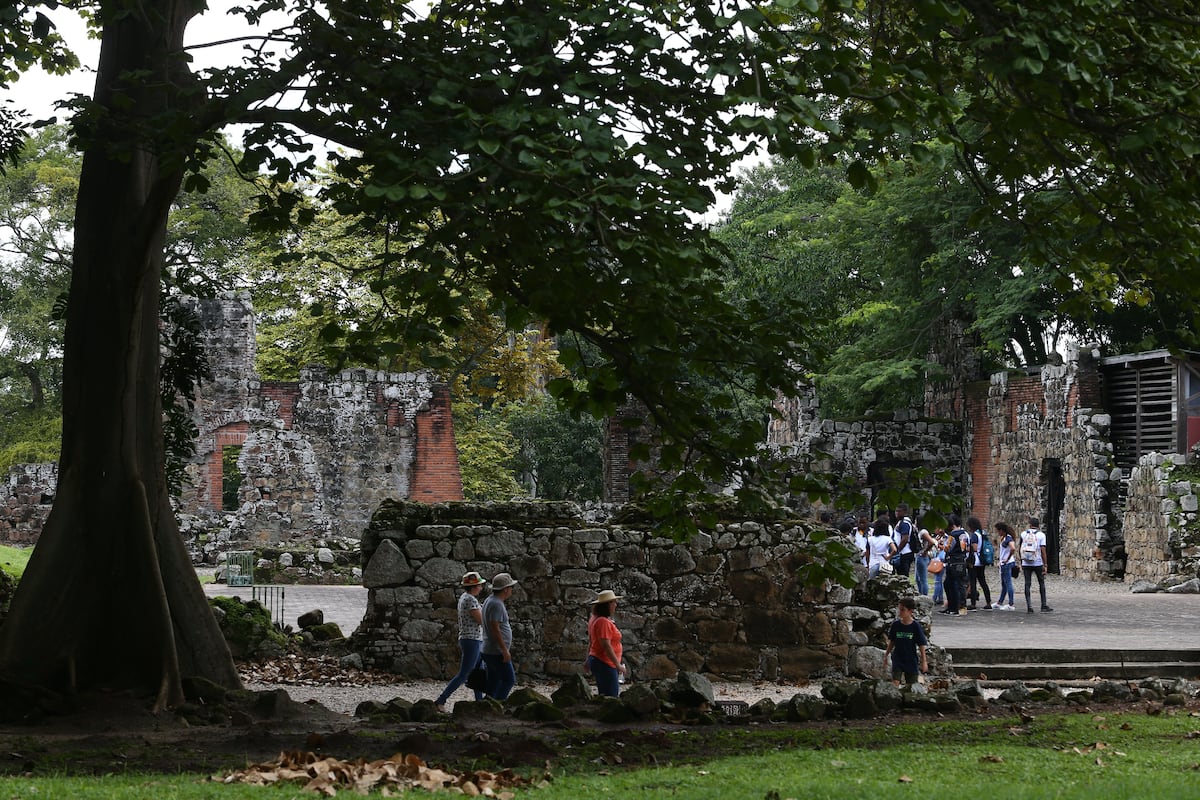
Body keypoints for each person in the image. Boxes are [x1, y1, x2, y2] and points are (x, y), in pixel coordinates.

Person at [434, 571, 487, 712]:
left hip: (472, 639)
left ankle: (480, 703)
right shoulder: (470, 600)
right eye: (480, 585)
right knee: (464, 674)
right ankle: (440, 701)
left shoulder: (465, 597)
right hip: (472, 640)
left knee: (478, 672)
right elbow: (481, 620)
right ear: (474, 586)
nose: (481, 587)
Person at [481, 572, 519, 700]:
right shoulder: (496, 604)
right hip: (495, 651)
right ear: (505, 589)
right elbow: (495, 628)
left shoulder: (489, 600)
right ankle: (498, 705)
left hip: (489, 649)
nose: (512, 590)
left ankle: (487, 706)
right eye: (511, 587)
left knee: (493, 681)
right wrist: (504, 649)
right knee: (509, 679)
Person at [586, 589, 627, 697]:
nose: (615, 605)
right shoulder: (603, 622)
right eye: (613, 602)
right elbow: (606, 645)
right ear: (607, 605)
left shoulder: (596, 619)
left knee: (604, 693)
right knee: (611, 695)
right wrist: (617, 665)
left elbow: (592, 641)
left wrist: (587, 659)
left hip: (600, 661)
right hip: (605, 663)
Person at [884, 596, 928, 687]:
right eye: (899, 610)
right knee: (895, 682)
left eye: (903, 610)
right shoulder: (896, 625)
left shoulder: (915, 626)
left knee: (911, 686)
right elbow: (892, 641)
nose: (900, 612)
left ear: (910, 611)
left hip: (911, 659)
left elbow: (921, 644)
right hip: (898, 658)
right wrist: (886, 655)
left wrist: (924, 661)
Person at [1019, 517, 1053, 613]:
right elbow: (1043, 551)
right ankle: (1043, 605)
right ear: (1038, 526)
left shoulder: (1023, 534)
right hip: (1037, 562)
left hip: (1026, 562)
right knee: (1041, 583)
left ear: (1030, 525)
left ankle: (1029, 606)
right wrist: (1045, 564)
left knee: (1027, 583)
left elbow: (1020, 548)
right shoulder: (1041, 535)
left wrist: (1021, 561)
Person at [940, 515, 971, 616]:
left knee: (950, 584)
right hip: (961, 561)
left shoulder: (953, 535)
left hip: (952, 561)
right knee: (959, 584)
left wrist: (940, 545)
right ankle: (959, 607)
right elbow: (965, 548)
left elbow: (947, 548)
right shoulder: (964, 534)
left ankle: (953, 607)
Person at [966, 516, 993, 611]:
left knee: (973, 583)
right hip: (981, 561)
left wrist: (966, 548)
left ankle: (973, 604)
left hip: (975, 561)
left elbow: (974, 548)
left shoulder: (974, 535)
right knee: (983, 582)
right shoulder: (982, 533)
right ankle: (988, 602)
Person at [993, 521, 1018, 610]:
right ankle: (1000, 602)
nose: (997, 533)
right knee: (1004, 584)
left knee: (1008, 583)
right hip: (1004, 563)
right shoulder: (1004, 538)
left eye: (998, 531)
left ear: (1002, 530)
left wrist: (1007, 559)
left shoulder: (1008, 538)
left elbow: (1013, 548)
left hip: (1007, 563)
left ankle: (1011, 604)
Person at [912, 516, 938, 596]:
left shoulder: (923, 532)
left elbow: (931, 542)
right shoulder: (920, 531)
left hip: (922, 556)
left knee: (923, 579)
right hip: (920, 556)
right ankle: (921, 594)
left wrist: (924, 551)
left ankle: (924, 596)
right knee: (918, 578)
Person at [892, 503, 916, 577]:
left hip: (904, 553)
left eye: (899, 511)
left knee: (903, 576)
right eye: (896, 511)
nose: (897, 513)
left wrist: (897, 550)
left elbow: (905, 539)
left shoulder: (905, 523)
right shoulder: (900, 522)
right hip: (902, 552)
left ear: (905, 512)